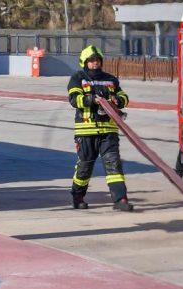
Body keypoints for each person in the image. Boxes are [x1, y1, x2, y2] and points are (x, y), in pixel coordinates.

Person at [67, 45, 133, 211]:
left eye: (97, 60)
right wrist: (92, 100)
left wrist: (118, 101)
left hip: (108, 131)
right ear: (84, 62)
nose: (95, 63)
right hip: (86, 131)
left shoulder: (110, 79)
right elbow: (74, 99)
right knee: (85, 166)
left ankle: (120, 200)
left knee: (114, 165)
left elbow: (124, 96)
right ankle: (78, 196)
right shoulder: (78, 78)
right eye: (91, 61)